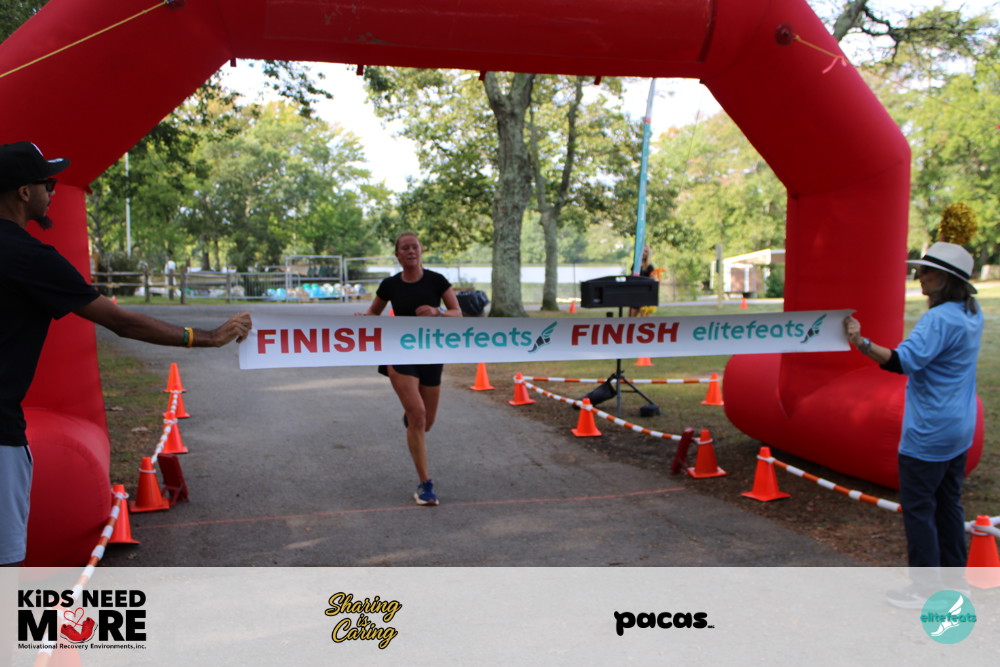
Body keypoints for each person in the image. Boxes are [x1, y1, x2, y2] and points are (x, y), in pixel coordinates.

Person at [0, 141, 252, 566]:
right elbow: (121, 322)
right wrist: (206, 337)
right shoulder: (28, 256)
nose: (53, 191)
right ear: (25, 192)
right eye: (48, 183)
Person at [844, 241, 983, 608]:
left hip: (929, 432)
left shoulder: (939, 319)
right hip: (960, 428)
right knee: (948, 505)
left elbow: (901, 362)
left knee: (919, 510)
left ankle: (925, 589)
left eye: (926, 271)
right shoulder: (972, 311)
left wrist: (859, 341)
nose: (919, 275)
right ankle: (956, 581)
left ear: (946, 279)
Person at [357, 232, 461, 506]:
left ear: (421, 250)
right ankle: (425, 484)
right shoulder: (390, 284)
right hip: (398, 352)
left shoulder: (437, 280)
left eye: (415, 247)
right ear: (398, 255)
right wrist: (362, 320)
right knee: (418, 416)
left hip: (432, 354)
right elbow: (373, 312)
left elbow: (457, 312)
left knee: (427, 422)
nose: (411, 251)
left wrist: (438, 312)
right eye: (405, 248)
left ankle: (413, 415)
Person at [629, 245, 658, 317]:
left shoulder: (650, 267)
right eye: (642, 251)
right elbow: (630, 278)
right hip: (635, 294)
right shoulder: (635, 265)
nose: (644, 253)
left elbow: (652, 281)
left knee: (644, 318)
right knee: (630, 318)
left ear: (648, 253)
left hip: (645, 295)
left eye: (646, 251)